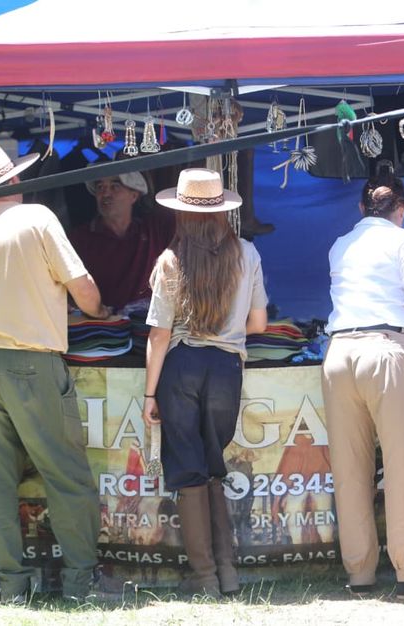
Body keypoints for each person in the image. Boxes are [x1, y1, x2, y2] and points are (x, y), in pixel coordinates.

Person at [0, 146, 116, 604]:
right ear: (12, 183)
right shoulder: (36, 218)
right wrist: (101, 310)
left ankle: (12, 588)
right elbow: (82, 288)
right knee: (66, 475)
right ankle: (81, 583)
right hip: (30, 361)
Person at [140, 168, 268, 596]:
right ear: (222, 212)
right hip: (226, 369)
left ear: (180, 213)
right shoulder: (247, 253)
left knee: (189, 471)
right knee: (214, 467)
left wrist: (149, 393)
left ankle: (206, 579)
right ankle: (227, 574)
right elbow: (260, 322)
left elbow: (159, 335)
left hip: (180, 367)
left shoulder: (170, 260)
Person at [321, 170, 404, 599]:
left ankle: (360, 573)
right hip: (387, 351)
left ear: (361, 208)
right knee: (403, 465)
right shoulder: (403, 241)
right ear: (402, 209)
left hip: (338, 355)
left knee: (349, 467)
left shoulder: (341, 246)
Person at [68, 171, 175, 310]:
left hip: (147, 324)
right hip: (102, 326)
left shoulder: (153, 230)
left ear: (134, 196)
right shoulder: (79, 239)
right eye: (100, 187)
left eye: (115, 187)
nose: (105, 194)